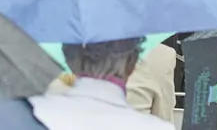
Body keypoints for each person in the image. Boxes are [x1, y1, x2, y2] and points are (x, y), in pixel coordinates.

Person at [27, 38, 172, 130]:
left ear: (70, 61)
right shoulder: (157, 127)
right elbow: (163, 114)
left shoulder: (31, 114)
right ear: (132, 65)